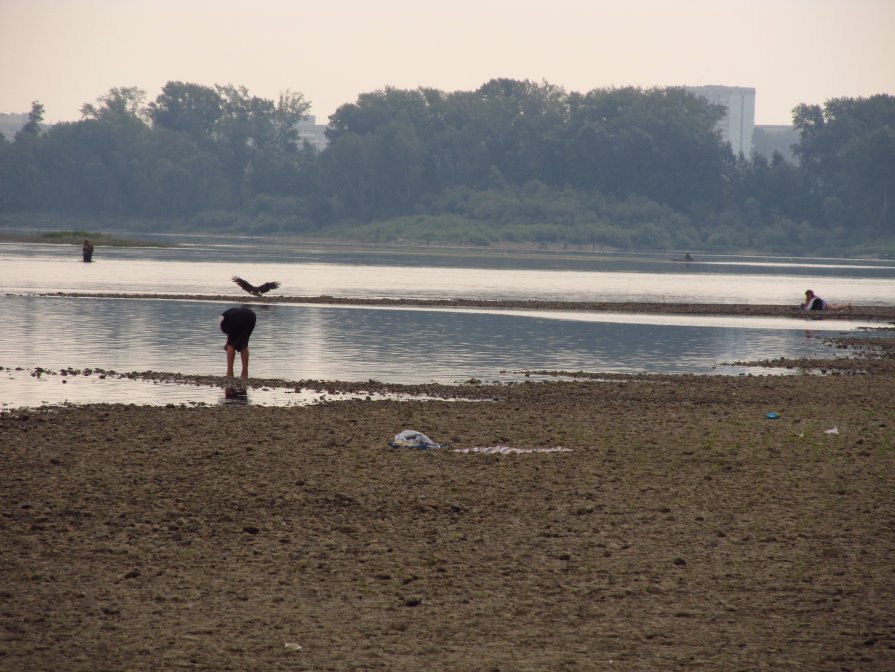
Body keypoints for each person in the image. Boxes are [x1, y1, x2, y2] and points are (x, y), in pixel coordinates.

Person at [219, 306, 257, 378]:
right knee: (244, 344)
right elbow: (230, 333)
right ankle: (245, 373)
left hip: (236, 318)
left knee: (231, 345)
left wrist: (228, 343)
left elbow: (229, 334)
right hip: (251, 316)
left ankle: (229, 373)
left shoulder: (222, 321)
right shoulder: (225, 316)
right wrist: (228, 342)